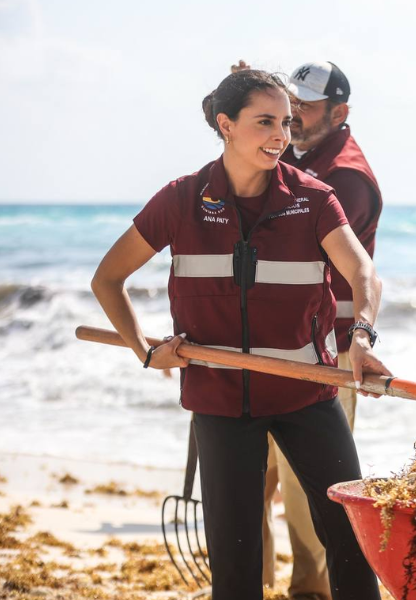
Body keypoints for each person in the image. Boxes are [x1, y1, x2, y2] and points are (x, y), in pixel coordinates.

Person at [91, 68, 386, 600]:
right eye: (266, 122)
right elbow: (108, 278)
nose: (281, 135)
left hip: (307, 394)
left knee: (349, 537)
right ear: (226, 125)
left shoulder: (314, 199)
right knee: (235, 560)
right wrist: (144, 350)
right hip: (220, 402)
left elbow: (362, 273)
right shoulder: (180, 200)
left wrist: (361, 335)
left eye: (287, 122)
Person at [252, 60, 382, 600]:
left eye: (303, 106)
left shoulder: (344, 176)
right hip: (272, 343)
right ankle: (256, 585)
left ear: (340, 112)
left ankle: (311, 590)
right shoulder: (301, 157)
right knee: (254, 480)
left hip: (322, 351)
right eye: (288, 106)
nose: (294, 117)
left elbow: (302, 255)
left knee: (310, 490)